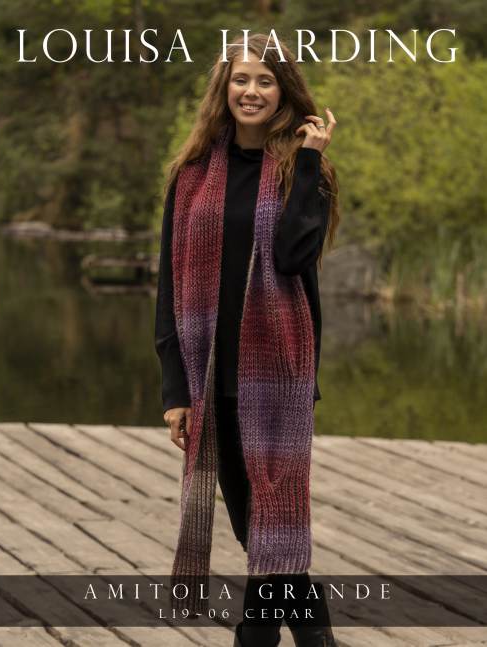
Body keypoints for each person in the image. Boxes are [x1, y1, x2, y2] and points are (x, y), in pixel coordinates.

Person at [154, 33, 340, 647]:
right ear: (224, 87)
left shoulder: (301, 171)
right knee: (258, 532)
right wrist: (175, 390)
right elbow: (169, 285)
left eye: (265, 80)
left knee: (272, 531)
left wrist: (308, 162)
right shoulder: (189, 176)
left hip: (279, 375)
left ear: (284, 92)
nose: (251, 91)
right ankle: (316, 638)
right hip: (210, 380)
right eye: (241, 79)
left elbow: (292, 257)